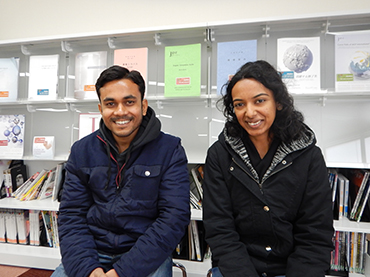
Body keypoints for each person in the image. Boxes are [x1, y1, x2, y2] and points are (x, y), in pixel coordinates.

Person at [51, 65, 190, 277]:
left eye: (129, 102)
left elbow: (174, 218)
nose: (120, 111)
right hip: (92, 253)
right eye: (110, 104)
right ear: (101, 109)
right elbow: (72, 215)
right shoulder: (82, 151)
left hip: (144, 254)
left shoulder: (170, 150)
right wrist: (89, 269)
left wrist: (122, 272)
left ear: (143, 106)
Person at [203, 60, 334, 277]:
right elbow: (219, 230)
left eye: (259, 101)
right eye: (239, 104)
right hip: (237, 268)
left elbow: (315, 234)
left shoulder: (309, 156)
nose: (250, 112)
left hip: (291, 269)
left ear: (278, 103)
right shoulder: (219, 155)